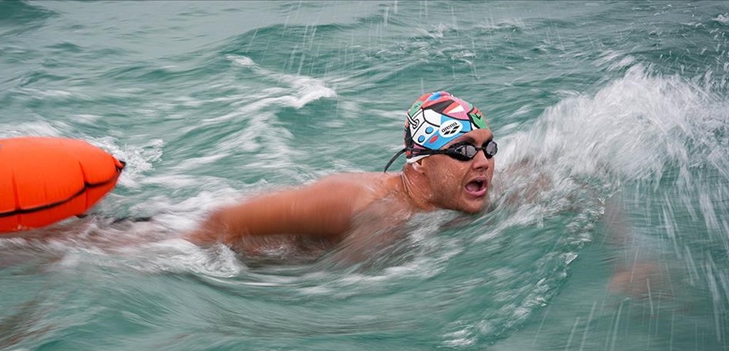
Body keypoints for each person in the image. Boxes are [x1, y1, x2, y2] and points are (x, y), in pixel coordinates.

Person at [184, 90, 497, 253]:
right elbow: (222, 222)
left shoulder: (453, 204)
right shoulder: (351, 201)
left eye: (488, 148)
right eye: (464, 151)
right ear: (421, 163)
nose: (482, 161)